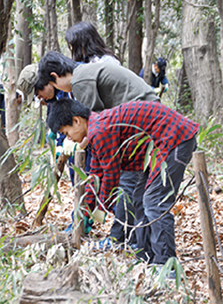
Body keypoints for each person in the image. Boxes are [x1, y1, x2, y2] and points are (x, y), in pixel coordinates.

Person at [47, 98, 199, 266]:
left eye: (67, 133)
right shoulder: (96, 131)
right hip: (157, 148)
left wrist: (101, 209)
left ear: (76, 121)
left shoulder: (99, 131)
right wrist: (83, 212)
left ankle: (166, 266)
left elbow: (111, 176)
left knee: (154, 202)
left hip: (174, 139)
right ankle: (146, 257)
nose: (69, 138)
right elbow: (97, 176)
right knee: (139, 199)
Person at [37, 50, 160, 245]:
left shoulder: (79, 82)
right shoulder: (84, 72)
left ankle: (119, 237)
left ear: (55, 77)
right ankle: (135, 238)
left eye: (52, 85)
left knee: (126, 181)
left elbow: (96, 127)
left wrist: (99, 207)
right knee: (134, 187)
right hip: (140, 119)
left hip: (144, 119)